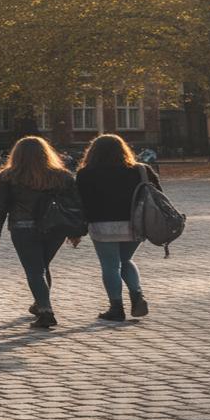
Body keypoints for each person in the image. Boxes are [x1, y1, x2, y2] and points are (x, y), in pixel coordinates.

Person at [0, 136, 80, 329]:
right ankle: (40, 304)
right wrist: (75, 231)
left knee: (34, 270)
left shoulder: (8, 176)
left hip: (23, 227)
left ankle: (46, 311)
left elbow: (0, 206)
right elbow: (74, 205)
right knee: (42, 266)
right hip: (55, 228)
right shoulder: (61, 176)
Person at [76, 134, 159, 322]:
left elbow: (81, 202)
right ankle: (137, 295)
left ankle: (116, 307)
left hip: (102, 225)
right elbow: (157, 194)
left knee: (110, 265)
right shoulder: (140, 170)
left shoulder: (86, 173)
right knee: (126, 260)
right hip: (135, 224)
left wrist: (78, 229)